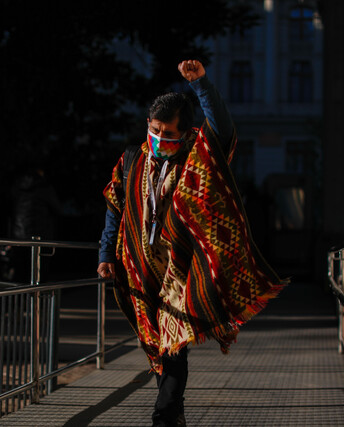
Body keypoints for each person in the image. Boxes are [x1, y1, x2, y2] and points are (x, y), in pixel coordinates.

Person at [98, 60, 286, 426]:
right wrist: (106, 254)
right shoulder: (131, 160)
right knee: (157, 342)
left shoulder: (195, 158)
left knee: (174, 344)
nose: (160, 139)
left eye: (168, 134)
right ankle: (175, 413)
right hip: (140, 269)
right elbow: (114, 210)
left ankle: (164, 416)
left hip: (179, 271)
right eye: (155, 130)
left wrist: (201, 85)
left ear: (185, 134)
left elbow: (223, 130)